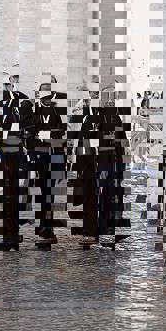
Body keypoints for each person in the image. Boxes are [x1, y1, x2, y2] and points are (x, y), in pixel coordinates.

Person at [0, 74, 33, 251]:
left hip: (19, 157)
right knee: (8, 197)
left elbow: (30, 130)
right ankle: (10, 237)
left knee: (16, 196)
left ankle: (13, 235)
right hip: (6, 157)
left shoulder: (24, 105)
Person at [30, 79, 66, 247]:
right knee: (44, 192)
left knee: (49, 193)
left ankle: (47, 229)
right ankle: (45, 226)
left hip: (55, 156)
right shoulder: (34, 110)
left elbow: (63, 132)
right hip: (40, 157)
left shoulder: (58, 110)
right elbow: (31, 133)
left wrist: (47, 136)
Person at [95, 89, 128, 247]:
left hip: (116, 163)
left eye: (112, 100)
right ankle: (104, 230)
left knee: (116, 196)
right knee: (105, 197)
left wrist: (122, 165)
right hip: (105, 163)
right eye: (108, 100)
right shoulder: (99, 118)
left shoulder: (116, 118)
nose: (111, 103)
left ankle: (114, 228)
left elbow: (123, 142)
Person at [70, 89, 100, 247]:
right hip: (85, 162)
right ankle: (89, 231)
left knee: (92, 198)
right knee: (88, 197)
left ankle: (92, 232)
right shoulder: (84, 114)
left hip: (93, 163)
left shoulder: (98, 115)